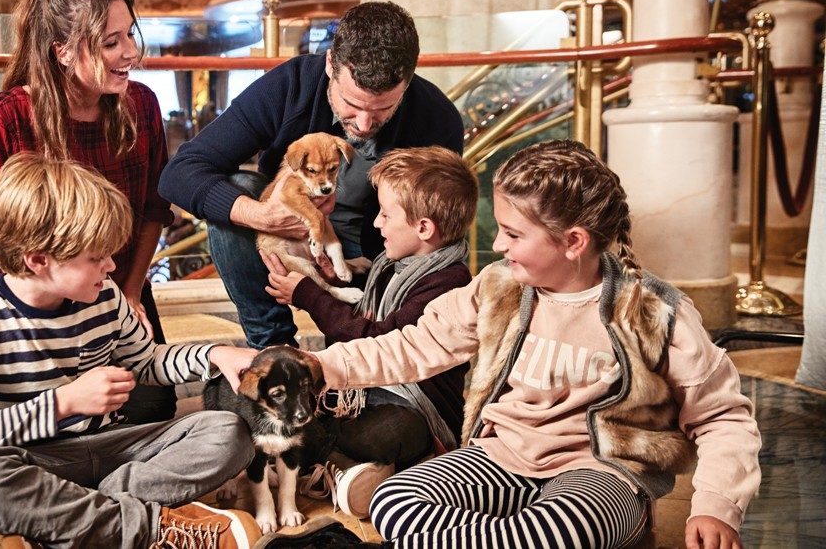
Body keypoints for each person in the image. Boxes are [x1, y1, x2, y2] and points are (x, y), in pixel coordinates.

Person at [305, 139, 763, 548]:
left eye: (514, 234)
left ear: (573, 242)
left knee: (565, 527)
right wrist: (315, 366)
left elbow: (723, 417)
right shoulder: (498, 287)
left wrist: (715, 504)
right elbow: (412, 346)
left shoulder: (654, 312)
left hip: (602, 473)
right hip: (501, 454)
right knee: (393, 499)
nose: (498, 244)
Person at [0, 153, 264, 548]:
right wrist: (64, 403)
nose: (110, 266)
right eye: (96, 257)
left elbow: (148, 362)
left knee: (229, 432)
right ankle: (153, 528)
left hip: (114, 449)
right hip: (33, 462)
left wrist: (214, 355)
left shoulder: (104, 296)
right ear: (39, 260)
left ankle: (67, 521)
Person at [158, 1, 464, 349]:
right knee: (236, 189)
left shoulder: (437, 119)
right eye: (352, 104)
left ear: (408, 81)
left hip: (379, 253)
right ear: (330, 64)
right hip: (286, 245)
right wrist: (260, 215)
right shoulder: (290, 86)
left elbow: (438, 236)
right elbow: (180, 173)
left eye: (383, 109)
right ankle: (274, 347)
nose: (364, 124)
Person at [0, 0, 177, 424]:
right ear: (61, 52)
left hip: (122, 289)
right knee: (54, 425)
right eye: (110, 42)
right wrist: (50, 322)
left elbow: (153, 211)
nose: (131, 52)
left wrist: (130, 295)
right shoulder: (8, 118)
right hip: (40, 304)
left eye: (129, 35)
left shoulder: (141, 104)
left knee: (152, 412)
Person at [261, 146, 478, 520]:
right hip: (365, 395)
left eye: (385, 214)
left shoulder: (450, 282)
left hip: (415, 405)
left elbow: (375, 338)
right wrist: (329, 282)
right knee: (289, 410)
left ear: (423, 228)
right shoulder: (392, 265)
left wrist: (310, 296)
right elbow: (361, 318)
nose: (376, 223)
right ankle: (358, 471)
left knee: (391, 430)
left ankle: (330, 463)